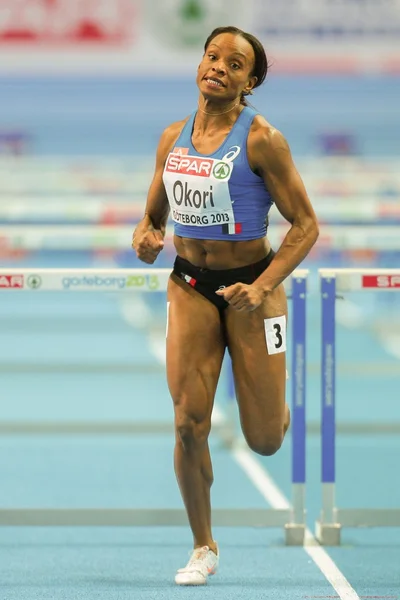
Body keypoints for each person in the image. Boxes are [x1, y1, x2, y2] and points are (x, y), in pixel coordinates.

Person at [132, 25, 319, 586]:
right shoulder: (172, 138)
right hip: (189, 286)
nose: (218, 66)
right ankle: (203, 545)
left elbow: (306, 226)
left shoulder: (263, 140)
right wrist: (145, 235)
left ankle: (273, 401)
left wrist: (263, 288)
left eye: (234, 64)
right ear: (200, 63)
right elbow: (153, 220)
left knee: (264, 440)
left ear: (250, 81)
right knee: (189, 422)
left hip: (254, 291)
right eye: (212, 56)